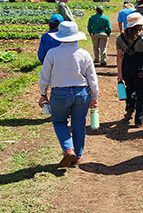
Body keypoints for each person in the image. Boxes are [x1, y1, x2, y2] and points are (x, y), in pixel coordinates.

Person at [38, 21, 99, 168]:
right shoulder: (84, 54)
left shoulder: (52, 53)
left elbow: (44, 75)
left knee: (59, 122)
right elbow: (92, 77)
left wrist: (43, 93)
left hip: (59, 92)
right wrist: (95, 96)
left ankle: (68, 149)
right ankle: (77, 156)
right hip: (81, 92)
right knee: (79, 123)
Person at [116, 12, 143, 127]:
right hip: (141, 69)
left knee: (129, 89)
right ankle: (139, 119)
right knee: (141, 94)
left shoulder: (120, 38)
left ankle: (130, 109)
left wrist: (120, 73)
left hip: (127, 68)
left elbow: (119, 56)